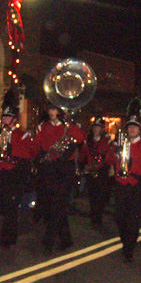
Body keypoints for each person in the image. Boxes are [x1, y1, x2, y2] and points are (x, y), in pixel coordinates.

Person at [33, 103, 86, 254]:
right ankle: (66, 239)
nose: (51, 112)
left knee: (58, 205)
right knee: (53, 206)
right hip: (48, 169)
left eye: (54, 109)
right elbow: (36, 147)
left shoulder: (68, 126)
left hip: (64, 170)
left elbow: (81, 138)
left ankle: (49, 240)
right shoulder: (43, 127)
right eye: (50, 109)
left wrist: (68, 123)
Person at [0, 90, 35, 248]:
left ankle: (9, 237)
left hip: (15, 174)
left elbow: (30, 153)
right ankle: (7, 235)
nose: (5, 119)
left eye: (8, 117)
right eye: (4, 117)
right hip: (1, 174)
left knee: (12, 207)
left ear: (14, 119)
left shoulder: (22, 135)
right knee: (3, 205)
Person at [107, 110, 141, 263]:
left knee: (133, 220)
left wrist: (131, 167)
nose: (131, 130)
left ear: (139, 129)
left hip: (136, 186)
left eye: (135, 127)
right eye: (129, 127)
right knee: (120, 218)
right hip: (121, 185)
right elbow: (111, 161)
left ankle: (129, 250)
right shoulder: (121, 144)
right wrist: (114, 151)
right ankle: (125, 242)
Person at [79, 117, 113, 229]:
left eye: (98, 127)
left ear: (102, 129)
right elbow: (83, 155)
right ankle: (94, 215)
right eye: (94, 127)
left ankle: (97, 217)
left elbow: (109, 156)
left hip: (101, 170)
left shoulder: (106, 141)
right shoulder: (88, 140)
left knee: (100, 195)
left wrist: (102, 163)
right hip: (90, 170)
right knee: (92, 195)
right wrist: (83, 165)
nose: (95, 129)